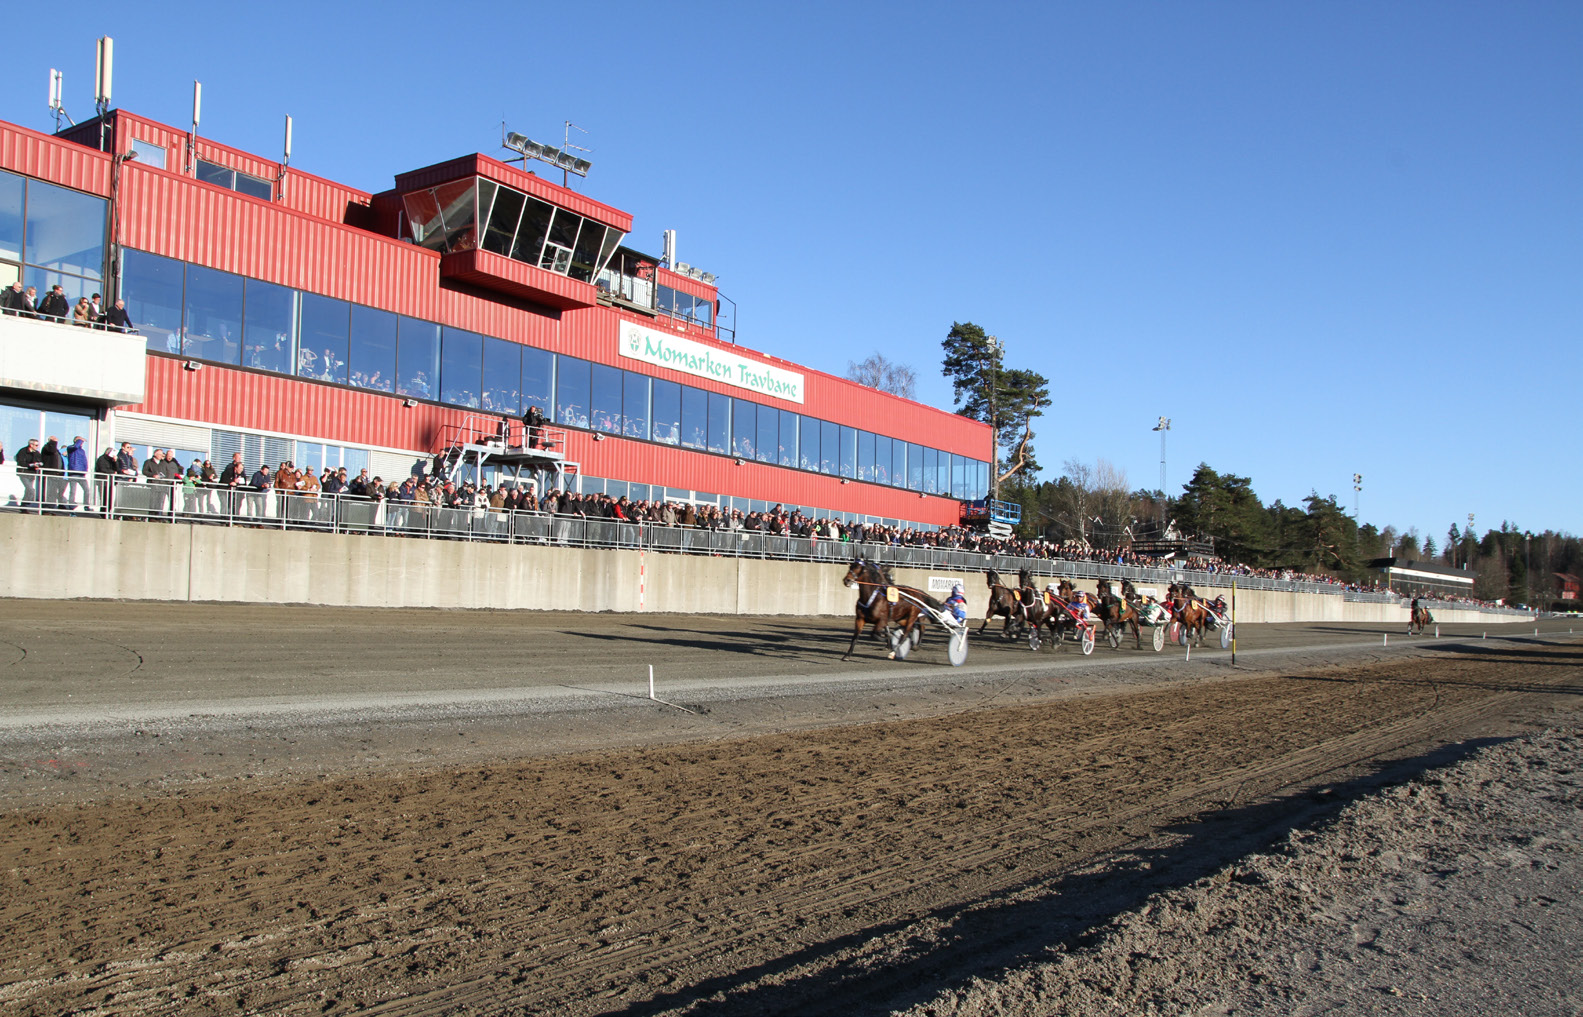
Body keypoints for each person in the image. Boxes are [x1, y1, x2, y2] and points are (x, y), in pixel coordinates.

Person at [14, 437, 43, 507]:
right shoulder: (23, 451)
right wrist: (31, 465)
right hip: (24, 473)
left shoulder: (37, 453)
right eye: (36, 445)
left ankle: (24, 505)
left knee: (27, 490)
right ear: (31, 445)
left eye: (37, 445)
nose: (37, 447)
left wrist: (39, 465)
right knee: (30, 489)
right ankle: (28, 502)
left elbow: (40, 461)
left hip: (32, 473)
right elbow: (21, 462)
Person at [64, 436, 89, 508]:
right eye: (80, 441)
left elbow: (84, 461)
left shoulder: (82, 451)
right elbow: (75, 447)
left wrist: (85, 470)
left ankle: (86, 506)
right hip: (73, 472)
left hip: (81, 474)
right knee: (73, 491)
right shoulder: (70, 448)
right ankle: (71, 505)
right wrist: (80, 440)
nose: (81, 443)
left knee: (86, 489)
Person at [39, 436, 64, 509]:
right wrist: (53, 442)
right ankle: (46, 508)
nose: (56, 442)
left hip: (56, 474)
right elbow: (51, 451)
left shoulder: (56, 450)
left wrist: (61, 472)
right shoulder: (47, 447)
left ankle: (51, 507)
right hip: (49, 474)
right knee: (48, 492)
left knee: (53, 492)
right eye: (54, 441)